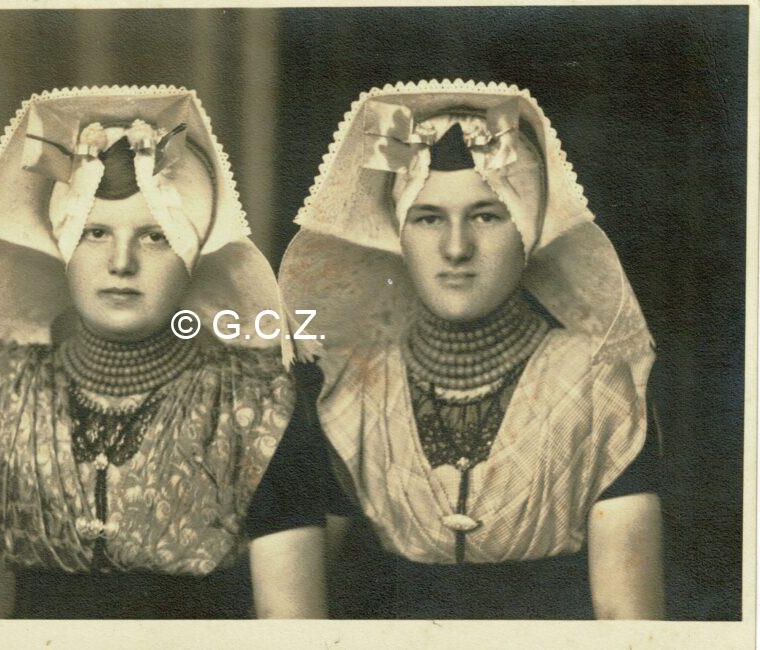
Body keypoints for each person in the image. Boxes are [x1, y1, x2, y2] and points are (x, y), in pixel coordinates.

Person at [0, 86, 326, 619]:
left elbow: (292, 628)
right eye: (95, 233)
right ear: (62, 246)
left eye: (154, 237)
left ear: (192, 257)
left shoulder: (258, 408)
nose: (121, 262)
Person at [279, 80, 664, 619]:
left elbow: (630, 626)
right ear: (397, 233)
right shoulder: (349, 394)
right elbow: (295, 618)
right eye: (428, 218)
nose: (456, 248)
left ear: (528, 228)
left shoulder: (602, 388)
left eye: (487, 215)